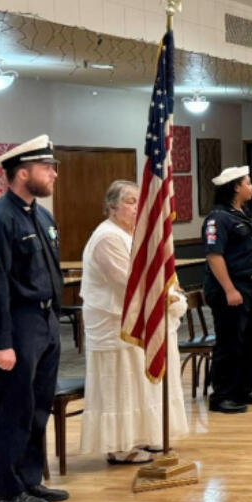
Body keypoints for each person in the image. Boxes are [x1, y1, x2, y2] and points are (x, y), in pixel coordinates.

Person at [79, 180, 188, 464]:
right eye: (129, 201)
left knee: (142, 383)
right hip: (116, 326)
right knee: (122, 384)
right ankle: (120, 445)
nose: (137, 206)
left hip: (139, 323)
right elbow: (129, 284)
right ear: (111, 207)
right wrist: (168, 298)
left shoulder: (134, 235)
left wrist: (172, 293)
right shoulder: (107, 238)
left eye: (139, 200)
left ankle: (143, 437)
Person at [0, 136, 67, 502]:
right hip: (19, 322)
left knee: (39, 405)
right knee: (15, 406)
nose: (53, 173)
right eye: (46, 167)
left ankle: (29, 479)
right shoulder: (2, 218)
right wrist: (2, 342)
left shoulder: (41, 215)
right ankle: (5, 488)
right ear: (21, 173)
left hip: (46, 320)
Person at [203, 166, 252, 414]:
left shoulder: (242, 215)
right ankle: (222, 395)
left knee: (251, 339)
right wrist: (230, 289)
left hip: (250, 284)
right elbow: (214, 255)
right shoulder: (218, 218)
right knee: (231, 341)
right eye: (248, 183)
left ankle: (244, 388)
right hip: (231, 287)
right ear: (235, 187)